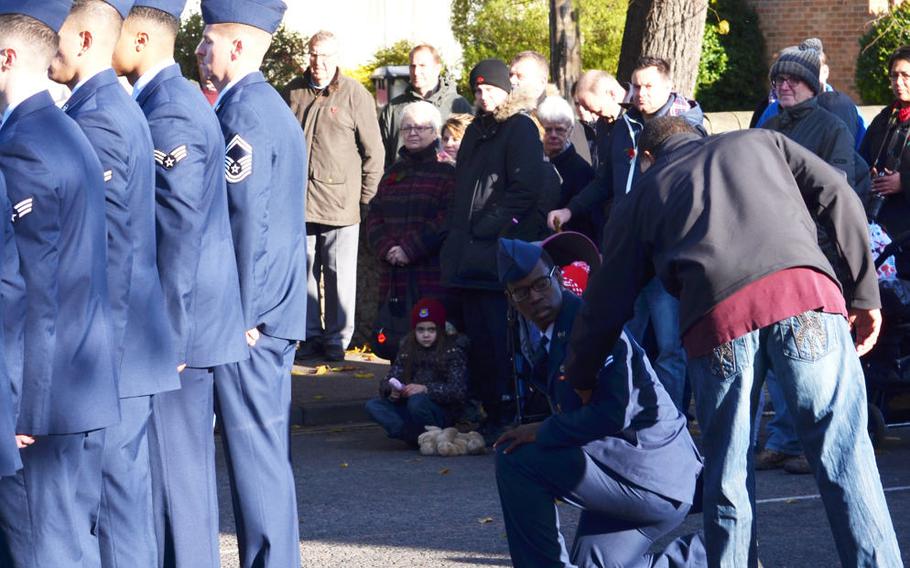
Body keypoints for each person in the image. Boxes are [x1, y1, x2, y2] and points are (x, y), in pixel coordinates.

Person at [566, 115, 903, 567]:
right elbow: (839, 192)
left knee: (729, 478)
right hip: (804, 295)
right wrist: (865, 292)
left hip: (718, 319)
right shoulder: (762, 141)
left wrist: (582, 374)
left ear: (646, 158)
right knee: (845, 456)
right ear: (701, 137)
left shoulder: (643, 192)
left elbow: (607, 298)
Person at [113, 2, 250, 566]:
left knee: (177, 489)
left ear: (140, 37)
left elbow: (179, 230)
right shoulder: (162, 101)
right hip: (184, 326)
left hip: (179, 334)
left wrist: (165, 335)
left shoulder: (167, 109)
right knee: (174, 484)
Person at [49, 1, 182, 565]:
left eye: (51, 38)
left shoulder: (98, 116)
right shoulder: (107, 105)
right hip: (128, 347)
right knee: (122, 507)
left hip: (114, 353)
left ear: (82, 40)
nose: (45, 49)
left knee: (115, 512)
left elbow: (108, 249)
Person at [494, 238, 705, 568]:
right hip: (626, 472)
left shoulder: (588, 327)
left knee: (515, 458)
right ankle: (715, 556)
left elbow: (613, 412)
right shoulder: (549, 334)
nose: (534, 297)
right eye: (522, 292)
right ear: (511, 300)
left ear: (556, 277)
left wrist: (544, 430)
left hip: (653, 475)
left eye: (540, 283)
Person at [0, 2, 122, 565]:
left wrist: (24, 405)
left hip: (40, 396)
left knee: (40, 549)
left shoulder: (24, 141)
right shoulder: (63, 129)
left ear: (6, 56)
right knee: (69, 545)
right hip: (78, 377)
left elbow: (31, 284)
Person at [196, 2, 308, 566]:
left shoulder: (245, 112)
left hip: (254, 317)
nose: (198, 50)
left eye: (207, 40)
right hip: (268, 311)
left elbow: (250, 220)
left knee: (255, 458)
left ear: (237, 48)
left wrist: (242, 316)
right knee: (260, 455)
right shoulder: (262, 106)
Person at [552, 56, 702, 415]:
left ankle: (670, 419)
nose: (640, 94)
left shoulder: (687, 128)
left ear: (668, 87)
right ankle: (627, 412)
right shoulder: (624, 126)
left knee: (669, 345)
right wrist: (570, 209)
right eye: (636, 86)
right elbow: (605, 183)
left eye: (649, 86)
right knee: (623, 336)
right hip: (627, 249)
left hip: (665, 249)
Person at [758, 41, 862, 476]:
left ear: (810, 85)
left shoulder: (830, 125)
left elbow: (839, 182)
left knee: (810, 349)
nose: (784, 86)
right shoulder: (771, 125)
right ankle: (784, 438)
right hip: (774, 245)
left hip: (814, 248)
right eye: (779, 80)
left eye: (792, 80)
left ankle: (814, 443)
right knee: (778, 350)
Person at [439, 58, 558, 434]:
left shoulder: (520, 127)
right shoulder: (477, 131)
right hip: (468, 251)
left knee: (499, 338)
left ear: (505, 90)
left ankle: (507, 410)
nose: (483, 95)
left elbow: (525, 188)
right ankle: (488, 408)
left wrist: (490, 226)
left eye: (489, 88)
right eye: (477, 90)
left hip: (496, 247)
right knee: (476, 336)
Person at [282, 30, 384, 362]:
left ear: (337, 57)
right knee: (304, 273)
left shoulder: (356, 95)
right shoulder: (292, 93)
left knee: (340, 276)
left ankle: (337, 340)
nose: (318, 63)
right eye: (313, 54)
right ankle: (310, 336)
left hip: (342, 205)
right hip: (299, 203)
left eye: (325, 56)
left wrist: (366, 200)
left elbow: (375, 154)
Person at [366, 101, 454, 311]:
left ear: (434, 132)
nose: (412, 133)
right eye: (407, 127)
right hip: (393, 273)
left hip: (430, 271)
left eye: (420, 127)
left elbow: (447, 220)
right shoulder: (392, 173)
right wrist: (387, 249)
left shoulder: (446, 172)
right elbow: (374, 216)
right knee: (390, 336)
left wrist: (410, 248)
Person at [365, 298, 468, 445]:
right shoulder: (407, 348)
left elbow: (457, 391)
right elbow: (390, 377)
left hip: (438, 409)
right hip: (409, 406)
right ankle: (413, 436)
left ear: (439, 329)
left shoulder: (452, 350)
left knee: (417, 402)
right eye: (421, 330)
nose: (425, 335)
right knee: (374, 406)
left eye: (431, 329)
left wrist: (425, 389)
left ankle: (431, 434)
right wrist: (391, 390)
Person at [754, 38, 866, 149]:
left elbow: (858, 150)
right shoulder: (774, 109)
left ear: (825, 72)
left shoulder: (843, 107)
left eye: (815, 71)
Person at [860, 45, 910, 277]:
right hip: (880, 222)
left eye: (905, 75)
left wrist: (904, 182)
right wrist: (867, 172)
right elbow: (861, 156)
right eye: (894, 76)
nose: (898, 82)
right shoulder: (885, 118)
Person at [378, 43, 471, 168]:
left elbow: (471, 152)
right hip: (402, 181)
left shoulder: (458, 105)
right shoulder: (394, 109)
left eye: (422, 66)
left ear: (437, 68)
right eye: (412, 66)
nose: (416, 72)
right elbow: (381, 154)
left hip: (447, 182)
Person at [509, 50, 592, 164]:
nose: (512, 81)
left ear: (541, 82)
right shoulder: (507, 118)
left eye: (520, 76)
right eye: (511, 75)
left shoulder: (560, 117)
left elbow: (581, 170)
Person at [537, 95, 597, 241]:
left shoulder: (581, 170)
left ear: (570, 130)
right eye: (547, 129)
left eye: (560, 130)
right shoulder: (532, 163)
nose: (553, 135)